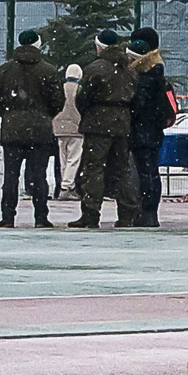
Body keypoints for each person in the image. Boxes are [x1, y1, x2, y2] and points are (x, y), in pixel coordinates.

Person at [0, 27, 65, 229]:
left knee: (10, 175)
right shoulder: (48, 70)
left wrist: (8, 113)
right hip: (39, 130)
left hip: (12, 130)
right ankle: (41, 217)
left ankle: (7, 216)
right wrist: (44, 115)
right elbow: (58, 100)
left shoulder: (5, 70)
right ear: (38, 44)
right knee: (39, 175)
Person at [69, 30, 146, 230]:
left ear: (99, 46)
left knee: (93, 169)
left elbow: (82, 98)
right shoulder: (128, 69)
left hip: (97, 123)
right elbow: (135, 99)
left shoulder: (95, 69)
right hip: (122, 123)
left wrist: (91, 113)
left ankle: (91, 214)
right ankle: (126, 214)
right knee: (122, 169)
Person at [126, 29, 175, 227]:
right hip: (153, 131)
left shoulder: (144, 79)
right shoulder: (157, 75)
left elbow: (138, 106)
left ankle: (146, 212)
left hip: (141, 131)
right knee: (151, 171)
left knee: (144, 172)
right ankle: (150, 211)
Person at [50, 61, 82, 205]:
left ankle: (63, 183)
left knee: (63, 159)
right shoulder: (80, 89)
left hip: (59, 128)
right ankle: (67, 187)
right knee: (73, 159)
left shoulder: (60, 88)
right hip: (76, 128)